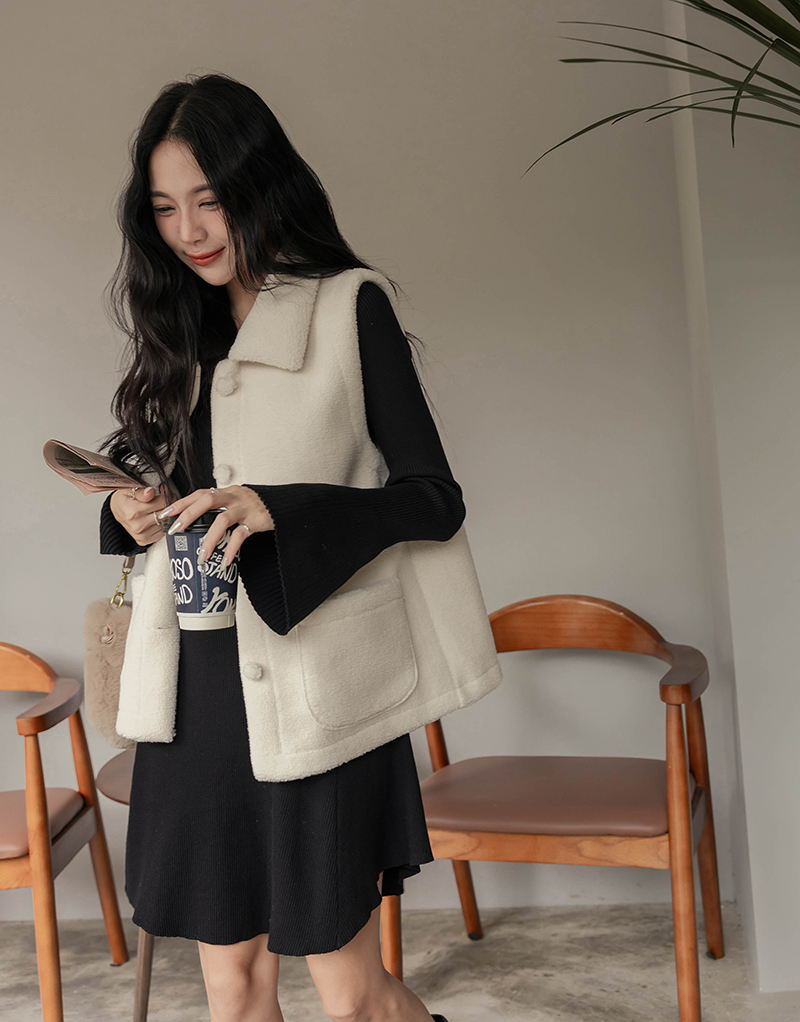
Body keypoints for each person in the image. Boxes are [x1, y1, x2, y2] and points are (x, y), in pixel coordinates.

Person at [98, 72, 500, 1022]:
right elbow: (162, 480)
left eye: (209, 200)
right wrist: (127, 512)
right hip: (194, 701)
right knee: (231, 988)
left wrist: (278, 507)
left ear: (258, 185)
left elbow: (432, 500)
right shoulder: (178, 331)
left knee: (349, 992)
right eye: (165, 208)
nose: (190, 231)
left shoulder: (348, 308)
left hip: (317, 697)